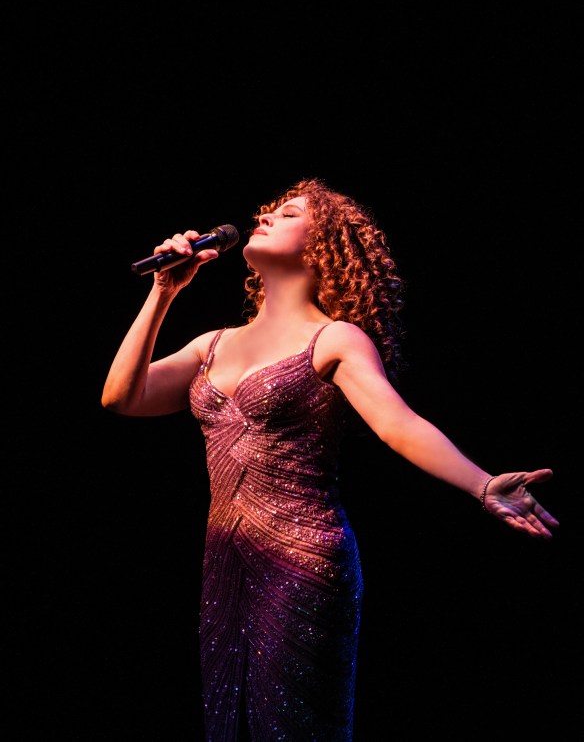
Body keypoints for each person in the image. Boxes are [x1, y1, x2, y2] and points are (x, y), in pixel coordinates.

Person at [101, 177, 559, 742]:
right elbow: (121, 397)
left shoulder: (335, 338)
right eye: (268, 211)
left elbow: (398, 424)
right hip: (224, 562)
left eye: (289, 214)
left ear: (322, 249)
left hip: (302, 559)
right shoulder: (210, 345)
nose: (265, 216)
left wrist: (482, 484)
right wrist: (163, 292)